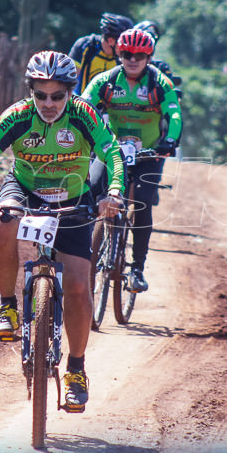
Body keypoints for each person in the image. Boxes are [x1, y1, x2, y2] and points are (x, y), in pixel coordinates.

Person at [0, 51, 124, 413]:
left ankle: (77, 370)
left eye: (57, 96)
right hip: (25, 188)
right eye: (41, 95)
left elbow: (112, 154)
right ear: (31, 92)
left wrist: (112, 194)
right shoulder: (19, 115)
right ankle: (7, 307)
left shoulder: (84, 115)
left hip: (72, 197)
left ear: (71, 93)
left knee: (80, 288)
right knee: (4, 221)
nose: (48, 104)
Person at [81, 28, 182, 293]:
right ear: (119, 54)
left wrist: (169, 141)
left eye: (139, 55)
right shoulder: (106, 81)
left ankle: (137, 268)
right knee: (90, 192)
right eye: (127, 54)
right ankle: (82, 252)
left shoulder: (160, 84)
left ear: (149, 56)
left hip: (149, 152)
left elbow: (174, 115)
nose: (133, 59)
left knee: (143, 202)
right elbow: (84, 107)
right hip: (113, 150)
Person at [69, 13, 134, 94]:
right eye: (123, 42)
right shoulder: (86, 46)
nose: (126, 47)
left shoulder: (124, 56)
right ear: (111, 41)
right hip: (82, 103)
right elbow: (68, 81)